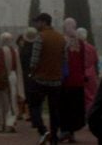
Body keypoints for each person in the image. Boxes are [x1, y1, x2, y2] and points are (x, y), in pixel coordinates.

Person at [30, 12, 65, 145]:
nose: (36, 24)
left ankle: (43, 130)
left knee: (34, 106)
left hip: (41, 79)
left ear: (44, 22)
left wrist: (32, 73)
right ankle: (54, 137)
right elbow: (64, 59)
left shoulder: (41, 37)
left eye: (37, 22)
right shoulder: (60, 38)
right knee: (54, 110)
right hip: (56, 80)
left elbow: (34, 61)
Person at [59, 18, 86, 141]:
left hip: (65, 80)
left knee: (64, 106)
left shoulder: (61, 41)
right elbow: (83, 61)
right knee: (75, 107)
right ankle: (71, 132)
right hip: (78, 81)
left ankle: (65, 130)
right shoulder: (80, 42)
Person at [0, 31, 22, 134]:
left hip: (3, 78)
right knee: (11, 101)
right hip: (12, 77)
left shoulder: (1, 51)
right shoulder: (15, 51)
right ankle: (10, 124)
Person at [76, 29, 98, 114]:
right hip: (91, 74)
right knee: (92, 95)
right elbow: (96, 60)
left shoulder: (76, 48)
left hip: (80, 73)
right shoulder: (92, 48)